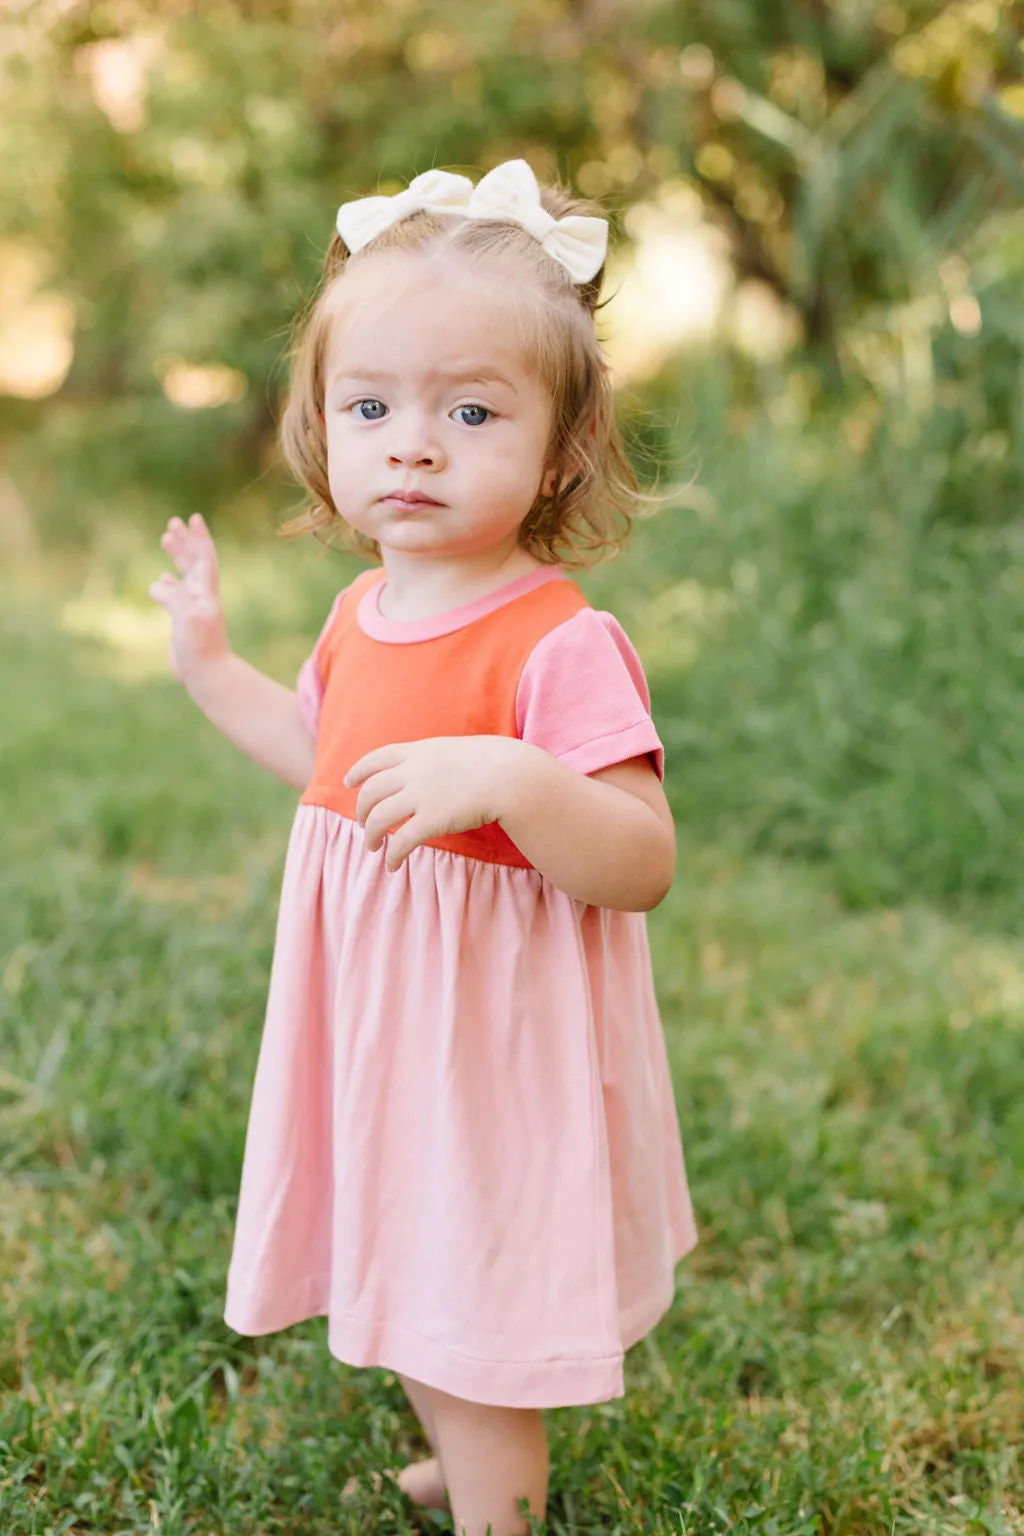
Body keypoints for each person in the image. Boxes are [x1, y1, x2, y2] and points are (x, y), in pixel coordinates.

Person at [149, 157, 697, 1536]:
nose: (414, 443)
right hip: (383, 1025)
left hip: (493, 1040)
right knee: (409, 1248)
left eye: (470, 410)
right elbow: (331, 770)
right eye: (372, 406)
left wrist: (512, 775)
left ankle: (494, 1506)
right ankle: (465, 1461)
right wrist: (213, 667)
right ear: (325, 428)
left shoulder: (559, 641)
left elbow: (639, 858)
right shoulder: (358, 615)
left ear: (561, 448)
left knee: (473, 1290)